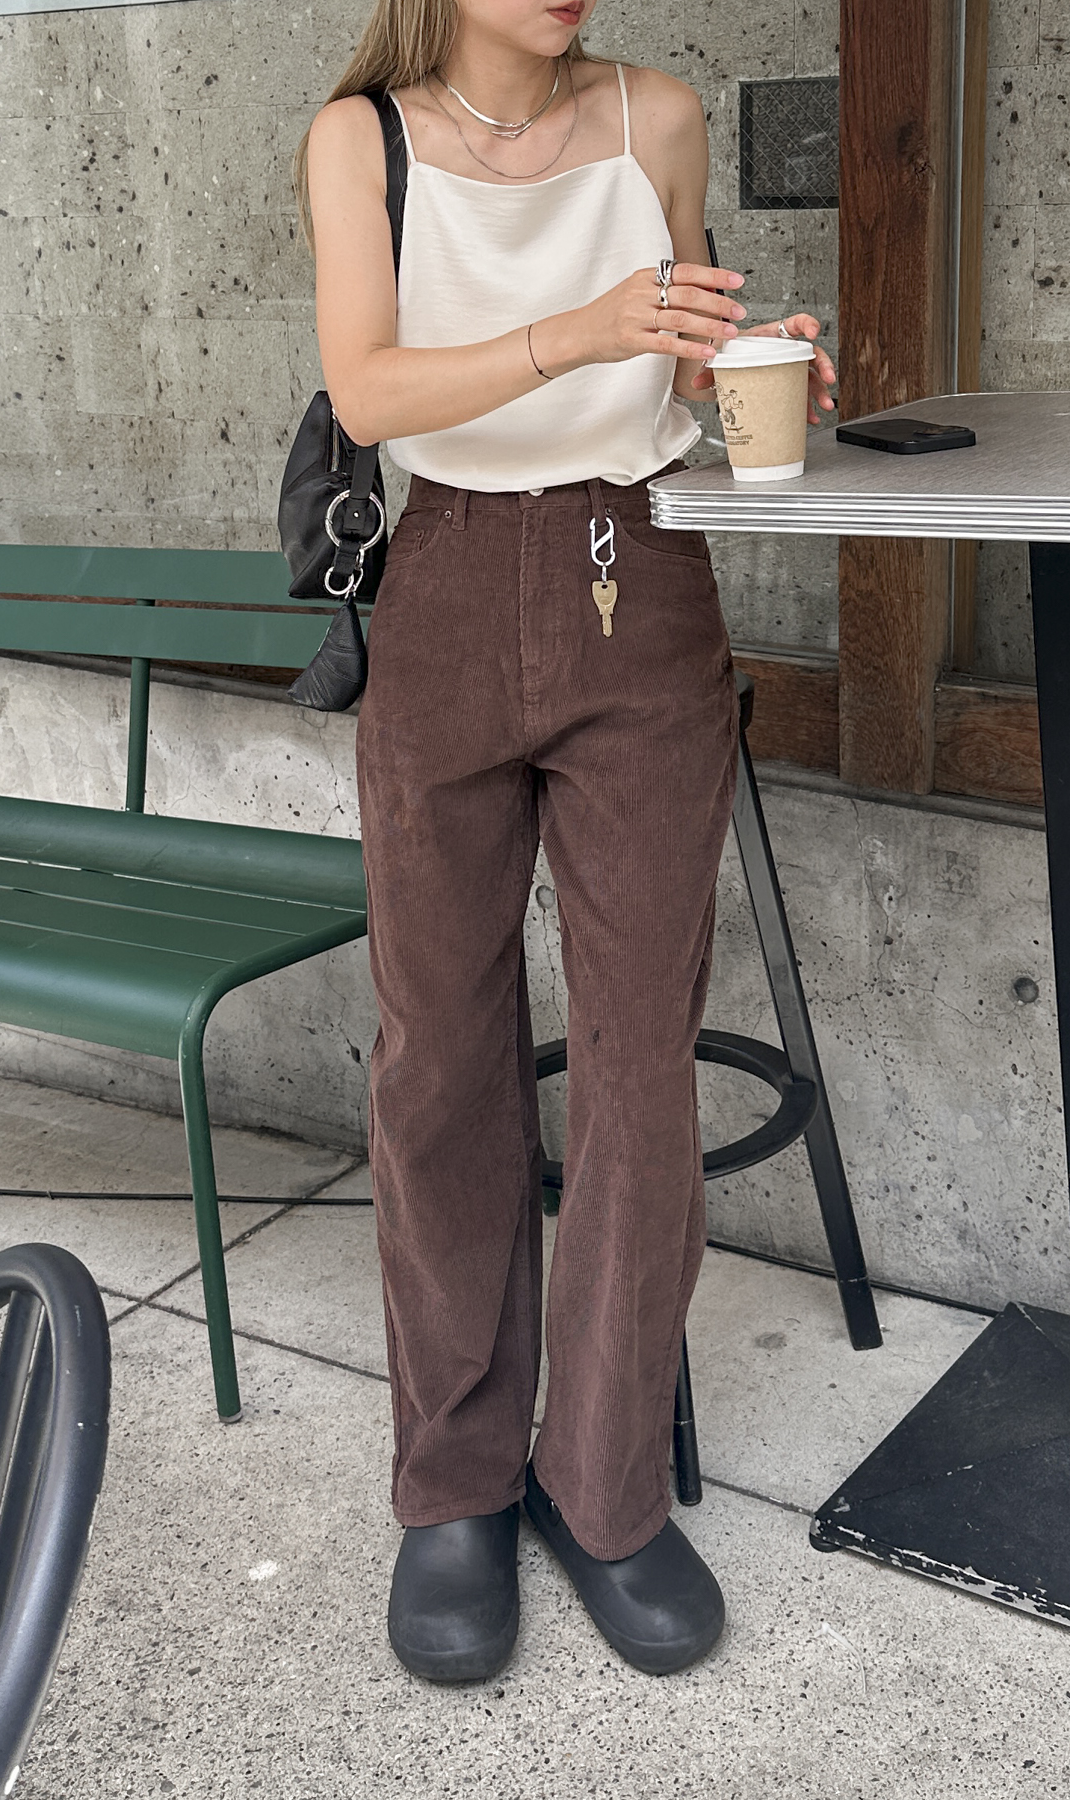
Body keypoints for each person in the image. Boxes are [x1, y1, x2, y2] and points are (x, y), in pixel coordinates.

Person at [299, 0, 836, 1682]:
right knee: (439, 1056)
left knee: (637, 1056)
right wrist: (578, 328)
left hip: (640, 577)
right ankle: (456, 1480)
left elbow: (669, 357)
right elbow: (368, 387)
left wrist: (741, 364)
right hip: (447, 584)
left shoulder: (656, 116)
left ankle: (604, 1485)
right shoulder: (361, 138)